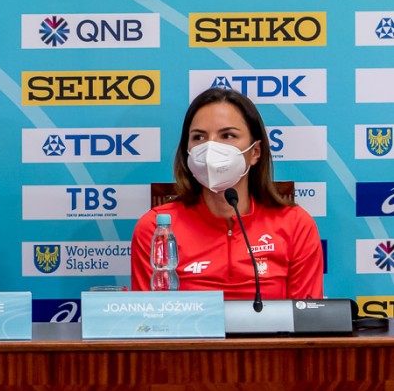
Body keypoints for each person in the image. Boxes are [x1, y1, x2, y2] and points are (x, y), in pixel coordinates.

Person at [130, 88, 323, 299]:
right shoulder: (156, 229)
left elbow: (306, 316)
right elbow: (150, 315)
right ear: (187, 151)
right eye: (199, 137)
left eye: (228, 135)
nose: (210, 148)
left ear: (255, 152)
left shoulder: (296, 225)